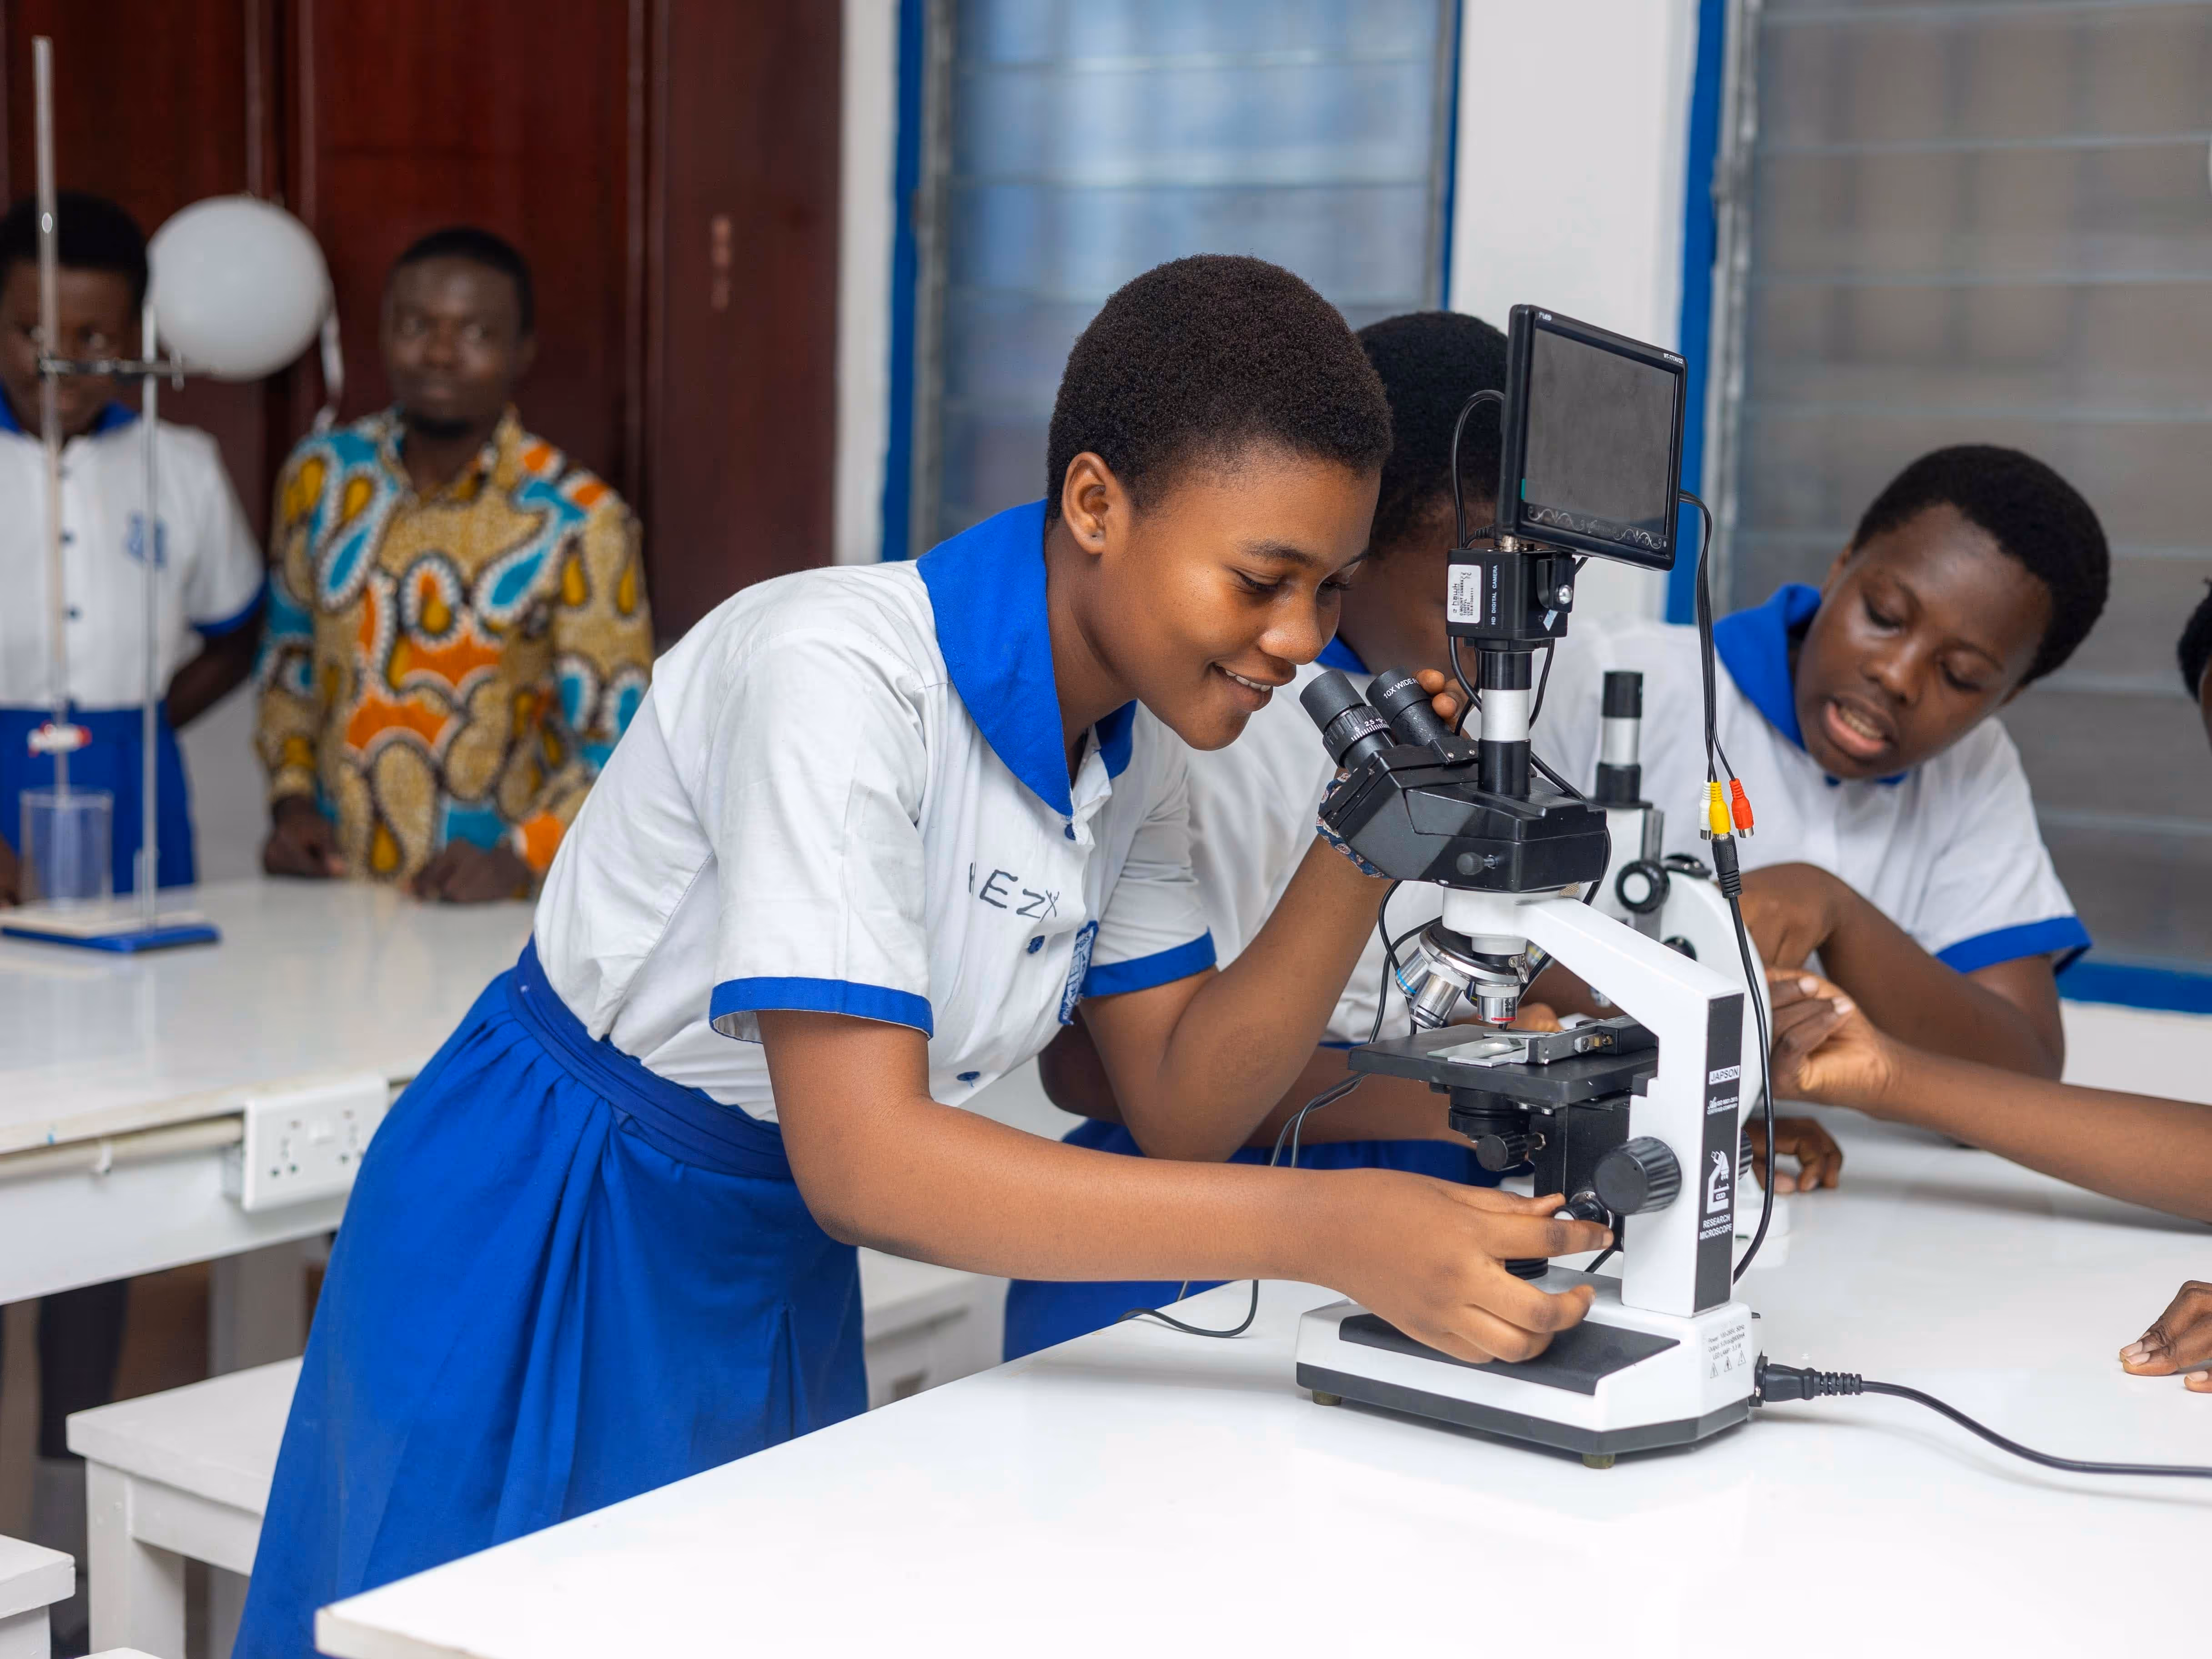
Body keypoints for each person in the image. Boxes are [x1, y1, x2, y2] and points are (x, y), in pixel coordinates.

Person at [233, 256, 1614, 1659]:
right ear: (1096, 505)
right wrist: (1331, 1227)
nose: (1301, 641)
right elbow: (871, 1163)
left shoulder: (1135, 761)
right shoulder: (836, 675)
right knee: (453, 1624)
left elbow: (1185, 1102)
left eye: (1328, 588)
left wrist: (1370, 832)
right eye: (1263, 580)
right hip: (557, 1208)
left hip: (763, 1233)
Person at [1000, 310, 1834, 1361]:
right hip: (1182, 1245)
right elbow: (1089, 1071)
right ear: (1361, 536)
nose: (1526, 616)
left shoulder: (1479, 698)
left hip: (1425, 1206)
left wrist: (1682, 1064)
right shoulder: (1210, 711)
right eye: (1490, 568)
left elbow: (1489, 972)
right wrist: (1457, 1096)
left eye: (1548, 577)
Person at [1536, 445, 2108, 1083]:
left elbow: (2022, 1075)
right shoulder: (1600, 675)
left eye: (1961, 676)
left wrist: (1840, 913)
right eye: (1885, 617)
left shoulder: (1975, 767)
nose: (1897, 676)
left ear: (2009, 696)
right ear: (1839, 570)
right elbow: (1460, 955)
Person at [254, 226, 651, 902]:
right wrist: (291, 805)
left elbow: (624, 741)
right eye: (415, 325)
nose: (439, 353)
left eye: (475, 333)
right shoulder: (319, 479)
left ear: (521, 350)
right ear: (381, 333)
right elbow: (289, 660)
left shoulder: (580, 518)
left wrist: (521, 858)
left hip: (496, 913)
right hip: (333, 905)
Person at [0, 191, 264, 904]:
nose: (61, 366)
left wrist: (137, 730)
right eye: (34, 334)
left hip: (135, 778)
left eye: (94, 339)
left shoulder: (180, 465)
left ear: (136, 336)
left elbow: (237, 635)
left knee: (150, 995)